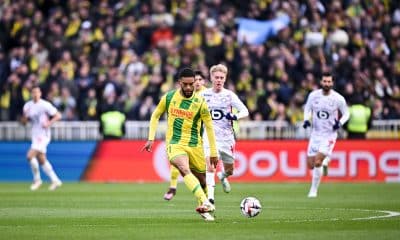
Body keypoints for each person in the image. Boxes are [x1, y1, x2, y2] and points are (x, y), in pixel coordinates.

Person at [142, 67, 218, 221]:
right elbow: (155, 115)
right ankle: (205, 201)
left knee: (202, 179)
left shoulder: (200, 102)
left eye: (192, 84)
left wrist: (214, 152)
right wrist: (151, 138)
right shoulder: (169, 98)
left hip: (195, 144)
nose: (189, 87)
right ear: (179, 83)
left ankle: (203, 209)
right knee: (183, 168)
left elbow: (209, 126)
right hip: (174, 143)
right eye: (186, 84)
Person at [201, 64, 249, 204]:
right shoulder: (204, 95)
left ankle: (223, 176)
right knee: (210, 166)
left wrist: (235, 116)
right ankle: (210, 198)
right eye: (216, 77)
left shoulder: (229, 95)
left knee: (230, 170)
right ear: (211, 78)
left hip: (227, 138)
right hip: (210, 137)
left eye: (222, 77)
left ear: (225, 78)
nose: (219, 80)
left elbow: (245, 111)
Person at [303, 72, 349, 198]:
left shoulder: (338, 99)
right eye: (325, 81)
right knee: (310, 164)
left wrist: (339, 123)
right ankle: (325, 162)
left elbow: (346, 114)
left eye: (329, 82)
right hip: (315, 134)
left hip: (329, 134)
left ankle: (313, 191)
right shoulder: (313, 96)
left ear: (332, 83)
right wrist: (306, 119)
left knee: (317, 162)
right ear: (321, 82)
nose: (327, 84)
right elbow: (307, 109)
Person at [163, 70, 207, 201]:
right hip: (181, 137)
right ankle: (173, 187)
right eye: (196, 80)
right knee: (179, 163)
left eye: (200, 80)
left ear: (203, 81)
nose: (197, 82)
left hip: (200, 135)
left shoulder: (206, 95)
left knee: (201, 172)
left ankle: (207, 196)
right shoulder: (180, 94)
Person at [21, 85, 63, 191]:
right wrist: (24, 117)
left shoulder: (45, 105)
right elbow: (24, 123)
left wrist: (49, 123)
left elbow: (58, 115)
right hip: (35, 134)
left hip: (43, 135)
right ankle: (55, 180)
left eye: (37, 92)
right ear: (31, 94)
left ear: (40, 93)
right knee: (41, 159)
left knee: (30, 156)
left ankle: (37, 180)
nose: (35, 94)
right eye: (33, 92)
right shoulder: (27, 106)